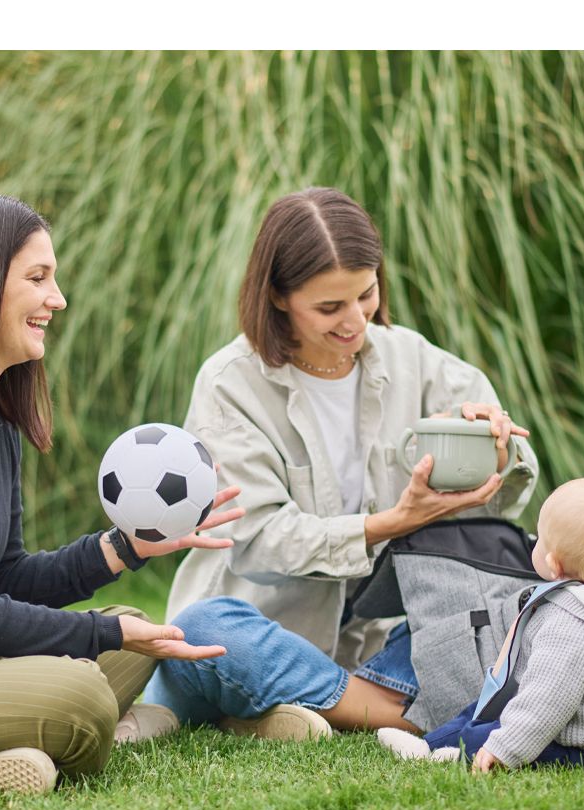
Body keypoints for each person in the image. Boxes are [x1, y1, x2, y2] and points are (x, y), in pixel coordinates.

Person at [0, 192, 244, 796]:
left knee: (137, 632)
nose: (58, 298)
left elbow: (4, 577)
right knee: (82, 689)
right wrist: (97, 636)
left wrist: (124, 549)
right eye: (37, 278)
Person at [144, 187, 538, 737]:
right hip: (265, 628)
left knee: (516, 605)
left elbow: (505, 490)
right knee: (205, 628)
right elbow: (260, 540)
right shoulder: (229, 384)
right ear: (278, 297)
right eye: (329, 308)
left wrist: (492, 448)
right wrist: (390, 523)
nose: (355, 321)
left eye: (366, 294)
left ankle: (294, 704)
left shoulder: (412, 357)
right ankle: (389, 711)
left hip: (376, 642)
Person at [377, 477, 584, 771]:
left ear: (554, 564)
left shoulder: (576, 625)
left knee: (489, 732)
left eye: (540, 539)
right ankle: (427, 745)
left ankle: (458, 755)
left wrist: (506, 749)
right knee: (480, 710)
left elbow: (549, 701)